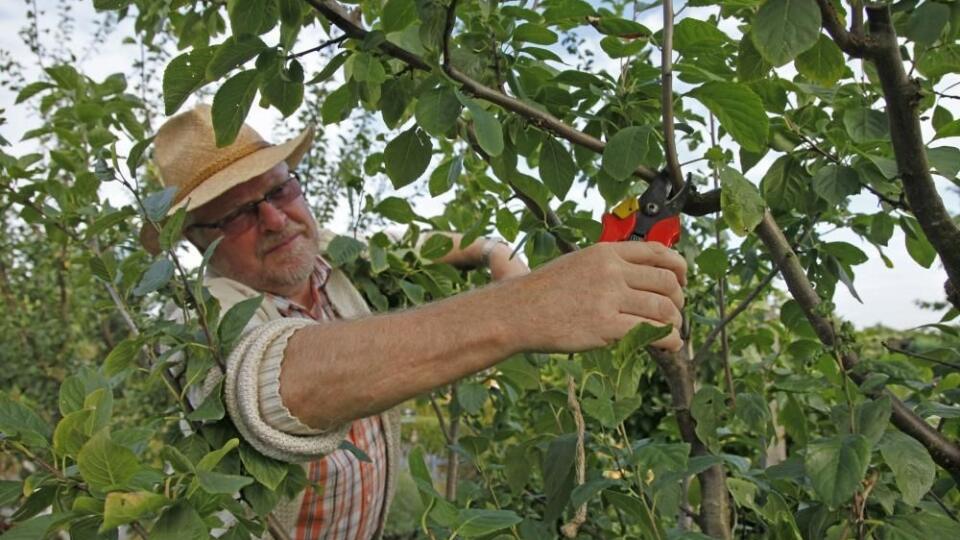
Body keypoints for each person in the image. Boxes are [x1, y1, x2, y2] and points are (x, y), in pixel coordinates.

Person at [148, 104, 686, 539]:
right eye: (237, 214)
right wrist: (528, 305)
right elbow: (278, 386)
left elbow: (408, 250)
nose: (273, 218)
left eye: (279, 189)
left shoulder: (329, 256)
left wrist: (494, 251)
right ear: (195, 240)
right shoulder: (194, 316)